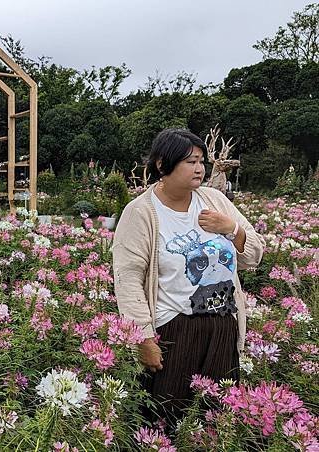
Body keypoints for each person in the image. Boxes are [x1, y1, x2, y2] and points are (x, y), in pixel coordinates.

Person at [112, 128, 265, 423]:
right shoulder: (141, 212)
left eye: (201, 161)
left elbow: (254, 255)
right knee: (166, 415)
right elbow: (128, 278)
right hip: (173, 329)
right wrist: (142, 337)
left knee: (215, 414)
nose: (199, 168)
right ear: (162, 165)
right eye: (190, 161)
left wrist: (230, 229)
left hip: (223, 326)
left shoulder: (214, 201)